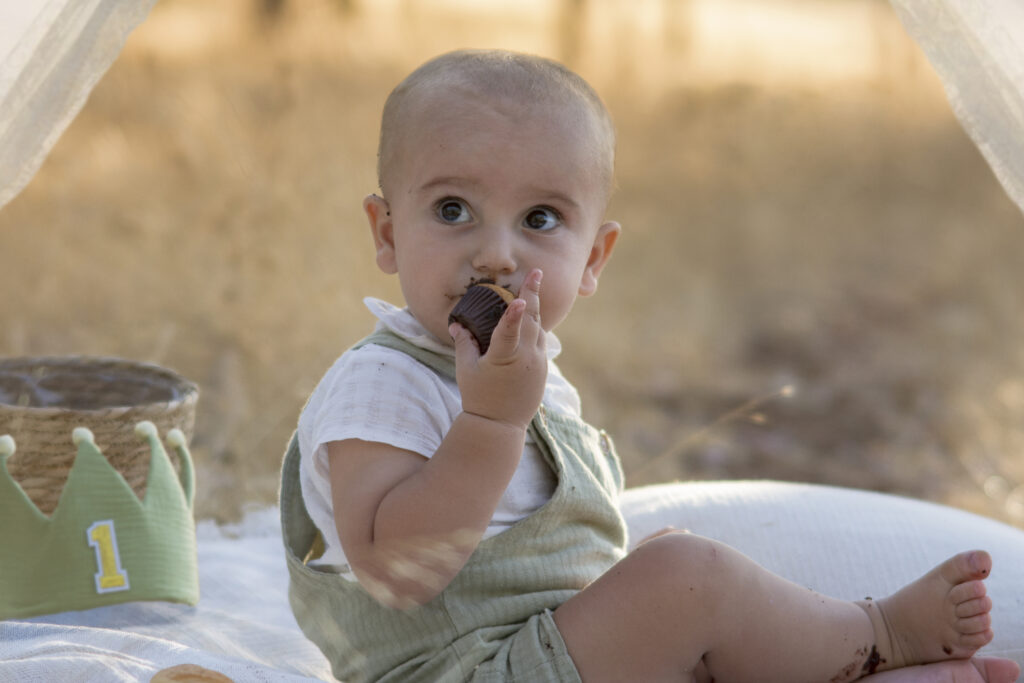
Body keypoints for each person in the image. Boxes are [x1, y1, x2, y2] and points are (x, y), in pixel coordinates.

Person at [280, 49, 1020, 683]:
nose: (496, 254)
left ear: (593, 259)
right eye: (452, 209)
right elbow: (394, 573)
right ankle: (877, 636)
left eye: (540, 219)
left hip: (542, 650)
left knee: (663, 567)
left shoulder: (536, 378)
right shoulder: (383, 384)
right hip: (465, 669)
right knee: (684, 579)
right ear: (387, 233)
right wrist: (490, 423)